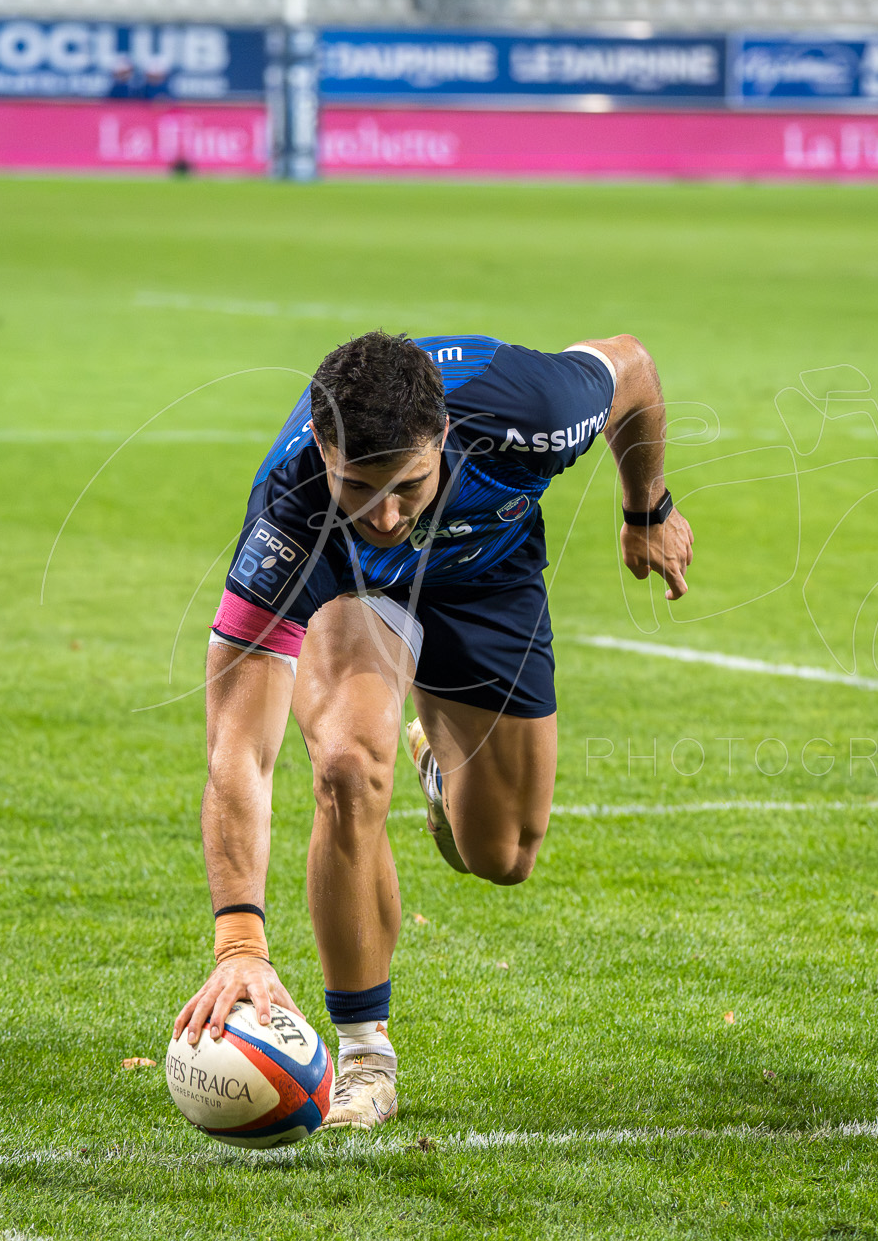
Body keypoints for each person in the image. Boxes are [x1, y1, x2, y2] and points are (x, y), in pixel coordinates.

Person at [170, 330, 693, 1127]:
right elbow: (239, 748)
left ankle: (437, 768)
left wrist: (645, 506)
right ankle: (364, 1053)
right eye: (359, 487)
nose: (384, 513)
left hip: (488, 578)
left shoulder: (536, 409)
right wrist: (239, 940)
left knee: (504, 854)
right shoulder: (290, 515)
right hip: (358, 595)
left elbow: (635, 368)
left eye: (409, 485)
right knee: (345, 762)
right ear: (321, 448)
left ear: (444, 435)